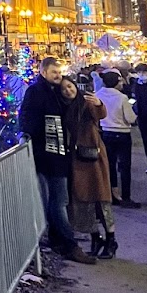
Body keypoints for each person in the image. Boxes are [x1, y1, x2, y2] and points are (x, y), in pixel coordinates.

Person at [19, 56, 96, 264]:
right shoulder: (36, 91)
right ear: (43, 72)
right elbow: (27, 117)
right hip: (49, 154)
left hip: (59, 153)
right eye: (54, 72)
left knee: (56, 200)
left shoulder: (55, 91)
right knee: (59, 200)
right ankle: (70, 244)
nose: (58, 76)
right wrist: (28, 135)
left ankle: (57, 239)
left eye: (60, 72)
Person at [59, 77, 117, 257]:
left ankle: (111, 240)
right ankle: (95, 237)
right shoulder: (63, 106)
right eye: (64, 89)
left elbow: (100, 113)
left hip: (93, 156)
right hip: (77, 158)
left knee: (101, 199)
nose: (68, 91)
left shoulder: (85, 101)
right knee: (84, 200)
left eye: (70, 86)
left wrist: (98, 103)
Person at [96, 70, 139, 208]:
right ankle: (126, 197)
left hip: (106, 133)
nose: (122, 84)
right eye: (120, 81)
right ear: (116, 82)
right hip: (122, 134)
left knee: (110, 165)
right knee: (125, 166)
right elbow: (130, 118)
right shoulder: (122, 98)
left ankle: (113, 194)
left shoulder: (98, 95)